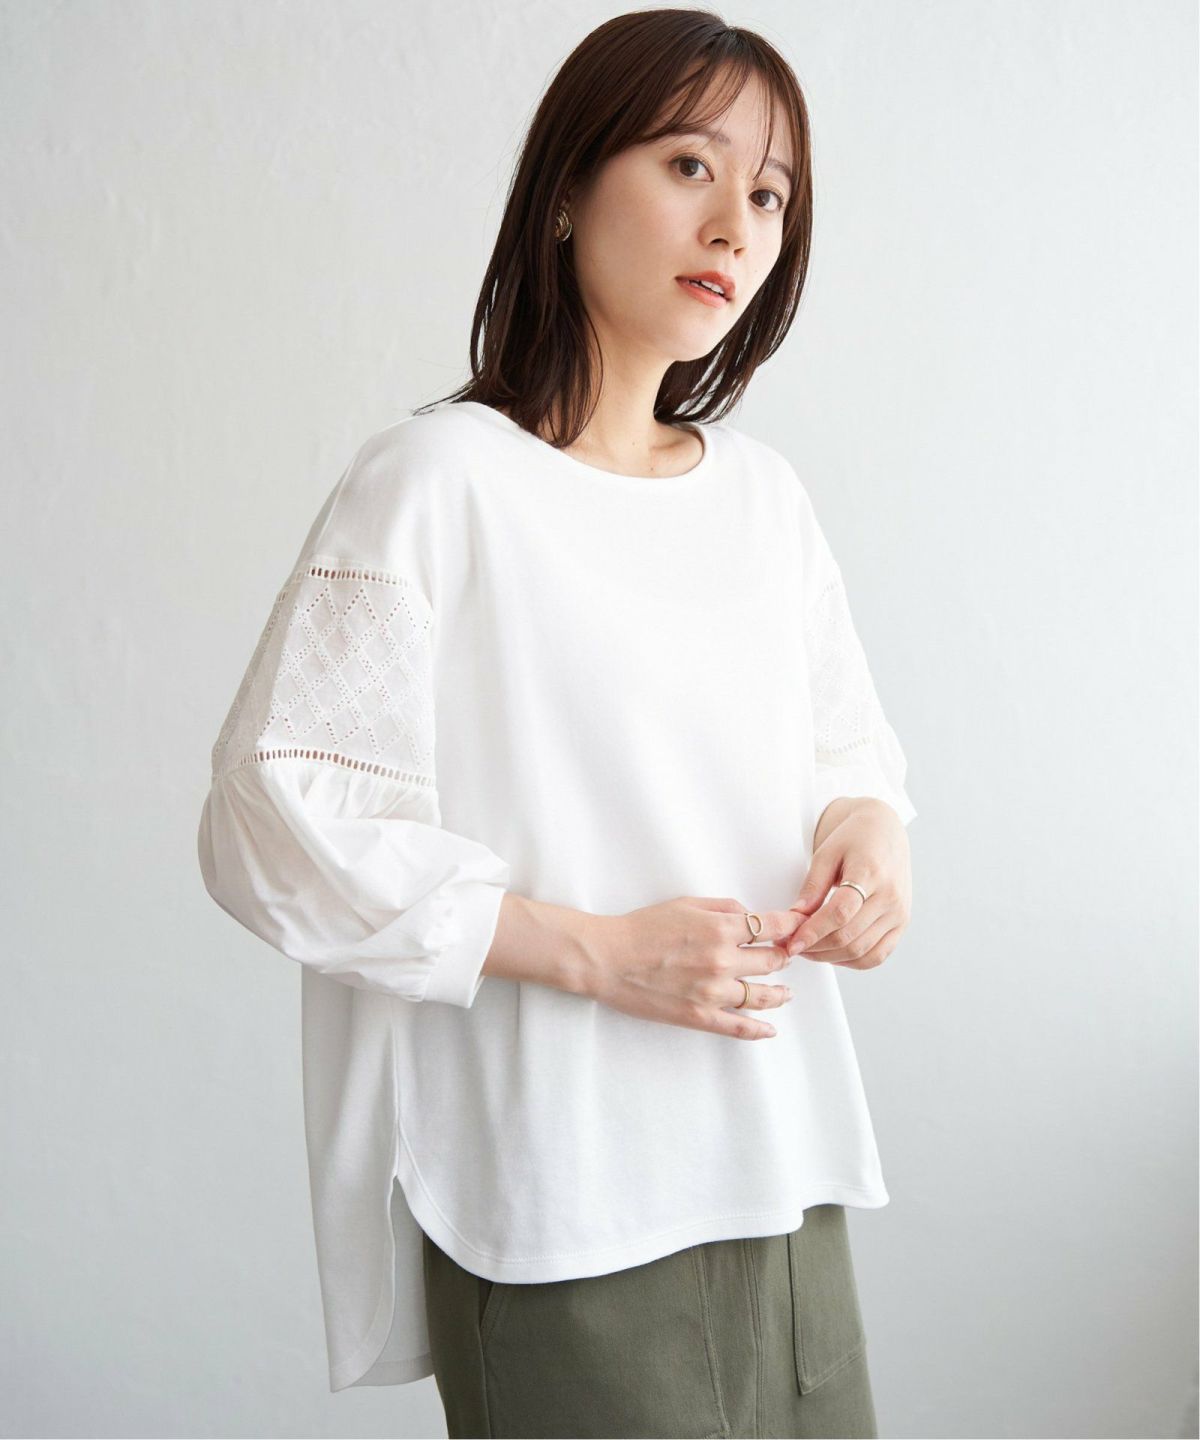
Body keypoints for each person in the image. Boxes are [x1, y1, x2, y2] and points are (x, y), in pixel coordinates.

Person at [196, 9, 917, 1438]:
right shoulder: (436, 483)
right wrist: (597, 952)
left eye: (770, 193)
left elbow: (847, 755)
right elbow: (276, 821)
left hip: (779, 1172)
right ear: (570, 189)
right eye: (690, 165)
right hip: (561, 1189)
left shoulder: (763, 502)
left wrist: (870, 838)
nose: (736, 225)